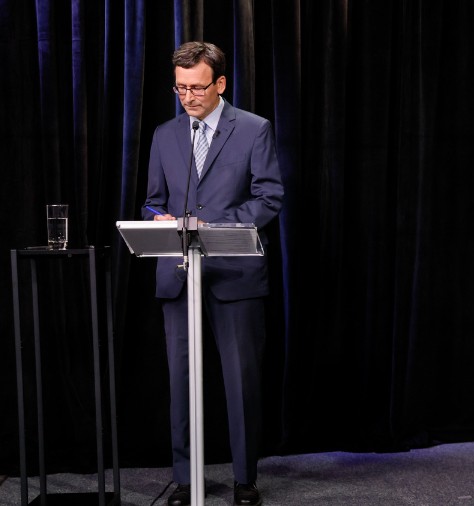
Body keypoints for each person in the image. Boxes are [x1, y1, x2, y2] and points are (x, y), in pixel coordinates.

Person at [142, 41, 283, 506]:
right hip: (179, 275)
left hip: (234, 277)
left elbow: (268, 198)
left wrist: (217, 226)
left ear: (220, 83)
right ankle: (187, 480)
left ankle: (245, 480)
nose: (189, 98)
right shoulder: (165, 134)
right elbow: (153, 200)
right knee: (181, 383)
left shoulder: (254, 129)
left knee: (241, 384)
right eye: (181, 89)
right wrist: (158, 218)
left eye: (198, 88)